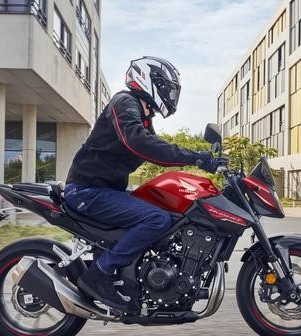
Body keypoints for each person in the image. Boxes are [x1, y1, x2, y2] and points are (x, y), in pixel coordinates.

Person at [64, 56, 218, 313]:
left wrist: (202, 158)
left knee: (166, 210)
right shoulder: (124, 102)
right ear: (149, 81)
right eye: (167, 88)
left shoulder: (141, 114)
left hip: (104, 190)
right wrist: (196, 158)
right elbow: (139, 142)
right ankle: (100, 273)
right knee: (157, 219)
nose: (170, 95)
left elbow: (159, 149)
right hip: (87, 191)